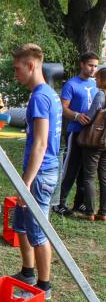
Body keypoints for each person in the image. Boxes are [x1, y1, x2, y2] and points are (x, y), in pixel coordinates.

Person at [10, 43, 62, 300]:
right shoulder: (49, 94)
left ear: (31, 66)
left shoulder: (41, 97)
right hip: (38, 171)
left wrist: (27, 181)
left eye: (18, 68)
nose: (15, 73)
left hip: (40, 174)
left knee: (38, 230)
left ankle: (44, 287)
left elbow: (41, 143)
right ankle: (27, 272)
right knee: (21, 225)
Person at [53, 52, 99, 216]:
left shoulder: (96, 85)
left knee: (85, 170)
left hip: (92, 134)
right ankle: (58, 203)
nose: (93, 69)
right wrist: (77, 116)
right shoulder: (71, 84)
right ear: (82, 64)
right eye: (90, 65)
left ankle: (79, 203)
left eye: (95, 66)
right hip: (75, 132)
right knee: (70, 168)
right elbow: (63, 108)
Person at [80, 67, 106, 221]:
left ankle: (90, 211)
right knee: (104, 176)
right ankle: (103, 212)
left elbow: (89, 117)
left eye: (97, 78)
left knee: (89, 176)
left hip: (94, 141)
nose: (95, 80)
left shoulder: (100, 95)